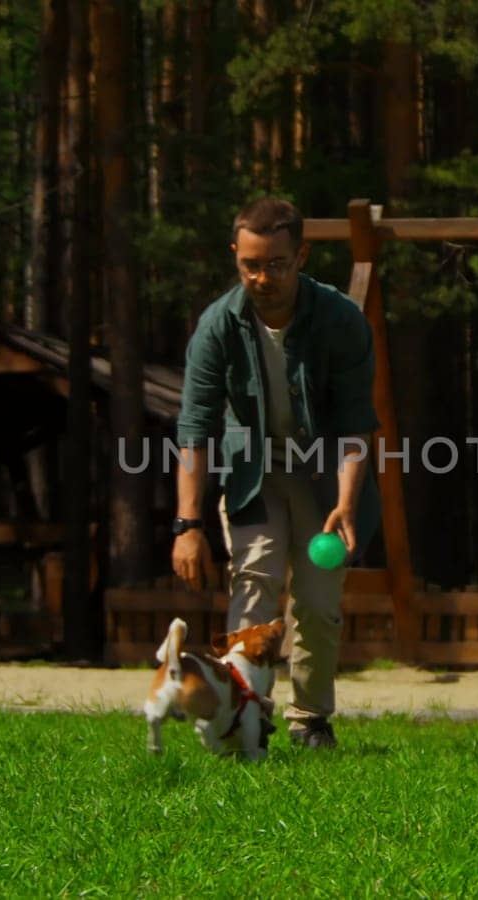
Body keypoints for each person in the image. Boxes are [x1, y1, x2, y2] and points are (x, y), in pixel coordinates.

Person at [171, 196, 380, 750]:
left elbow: (358, 423)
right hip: (253, 475)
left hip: (325, 476)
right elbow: (194, 426)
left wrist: (346, 503)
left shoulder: (340, 320)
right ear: (236, 257)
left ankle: (310, 719)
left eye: (276, 265)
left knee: (315, 601)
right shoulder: (218, 324)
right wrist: (187, 524)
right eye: (250, 265)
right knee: (255, 581)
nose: (262, 277)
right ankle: (246, 715)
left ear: (301, 256)